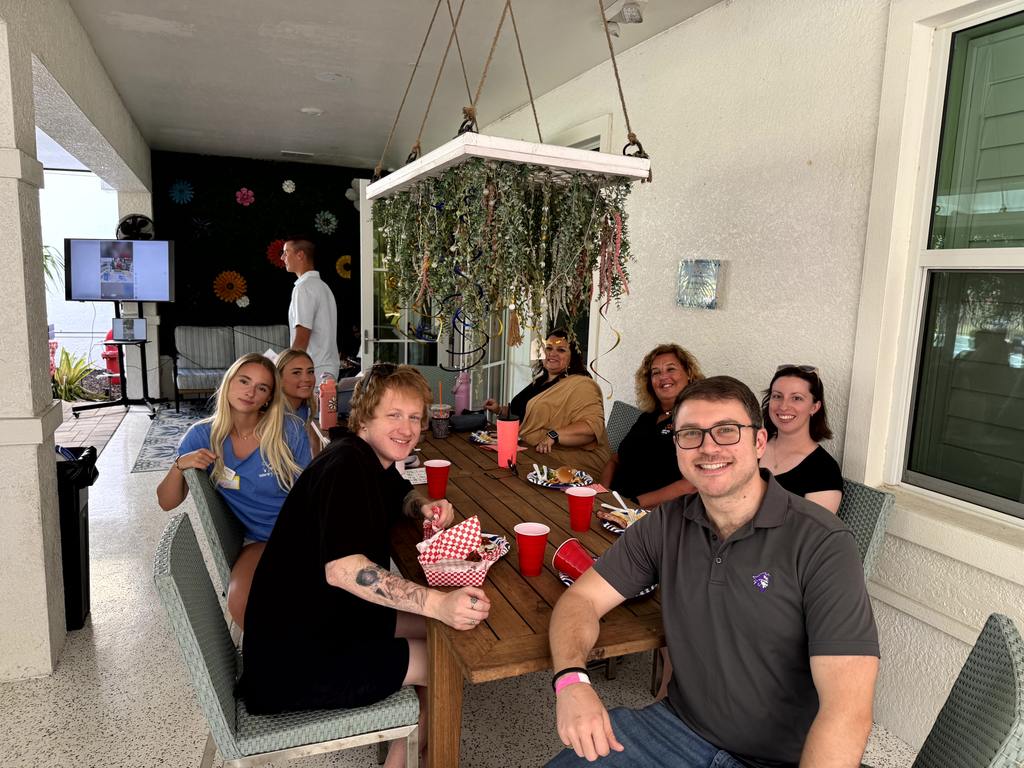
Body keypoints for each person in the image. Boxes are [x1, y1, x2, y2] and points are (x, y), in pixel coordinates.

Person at [547, 376, 879, 768]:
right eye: (691, 434)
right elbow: (581, 599)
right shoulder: (664, 524)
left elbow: (847, 712)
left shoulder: (822, 542)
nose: (708, 448)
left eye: (726, 431)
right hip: (676, 730)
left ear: (758, 442)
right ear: (677, 448)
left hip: (783, 759)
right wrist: (572, 683)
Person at [239, 363, 490, 768]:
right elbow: (344, 570)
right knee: (447, 660)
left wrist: (423, 505)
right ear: (365, 418)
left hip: (325, 620)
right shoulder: (346, 470)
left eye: (413, 417)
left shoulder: (365, 457)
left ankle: (408, 751)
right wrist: (438, 603)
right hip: (297, 661)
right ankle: (404, 761)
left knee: (444, 637)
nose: (407, 429)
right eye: (393, 415)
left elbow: (400, 492)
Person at [157, 353, 312, 628]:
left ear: (268, 397)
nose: (250, 392)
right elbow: (167, 502)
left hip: (305, 532)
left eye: (262, 387)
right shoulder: (201, 436)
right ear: (228, 383)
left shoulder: (289, 430)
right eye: (244, 381)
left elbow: (312, 495)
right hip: (260, 540)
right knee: (240, 600)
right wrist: (180, 466)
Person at [483, 329, 610, 478]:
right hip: (531, 450)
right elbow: (526, 415)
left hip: (569, 460)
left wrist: (554, 435)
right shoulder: (542, 380)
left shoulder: (582, 385)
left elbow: (590, 428)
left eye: (561, 350)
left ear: (573, 357)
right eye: (549, 348)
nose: (552, 353)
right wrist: (499, 410)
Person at [601, 344, 702, 508]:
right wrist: (602, 493)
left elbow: (690, 484)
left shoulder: (696, 420)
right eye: (656, 373)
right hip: (613, 504)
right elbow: (615, 460)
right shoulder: (647, 418)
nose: (663, 377)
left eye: (671, 369)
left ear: (689, 374)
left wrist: (632, 505)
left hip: (651, 514)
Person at [759, 364, 843, 513]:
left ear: (814, 407)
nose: (783, 406)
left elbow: (814, 533)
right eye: (777, 396)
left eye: (796, 398)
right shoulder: (753, 446)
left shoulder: (824, 470)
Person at [283, 238, 339, 381]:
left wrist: (283, 367)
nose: (282, 257)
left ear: (300, 255)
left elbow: (302, 338)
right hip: (328, 369)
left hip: (312, 372)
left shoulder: (303, 288)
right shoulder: (323, 287)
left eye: (286, 252)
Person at [276, 347, 322, 458]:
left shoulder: (305, 408)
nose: (307, 379)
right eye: (296, 373)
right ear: (279, 379)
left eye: (310, 372)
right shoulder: (276, 419)